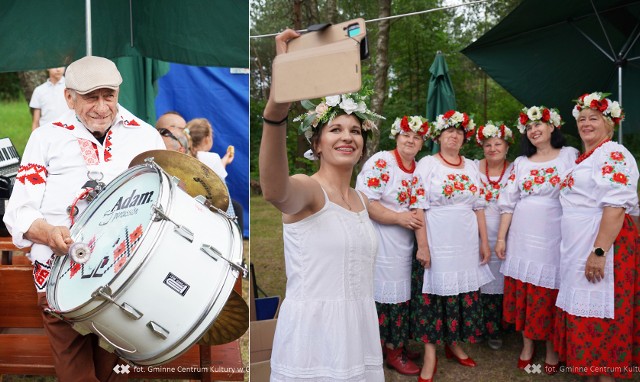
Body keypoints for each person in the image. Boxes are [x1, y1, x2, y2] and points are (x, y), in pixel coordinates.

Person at [3, 55, 166, 382]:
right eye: (92, 97)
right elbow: (19, 210)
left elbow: (165, 203)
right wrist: (48, 233)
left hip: (124, 279)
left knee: (116, 371)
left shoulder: (146, 137)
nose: (103, 106)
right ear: (69, 97)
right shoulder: (46, 138)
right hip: (60, 278)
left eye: (110, 95)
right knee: (76, 373)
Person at [260, 29, 385, 382]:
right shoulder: (308, 190)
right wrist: (276, 111)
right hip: (314, 340)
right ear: (316, 143)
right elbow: (274, 190)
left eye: (356, 131)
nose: (347, 136)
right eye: (335, 129)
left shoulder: (361, 199)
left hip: (357, 333)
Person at [554, 92, 639, 381]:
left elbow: (616, 206)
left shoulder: (612, 153)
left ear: (609, 124)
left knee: (602, 312)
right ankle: (590, 373)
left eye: (594, 118)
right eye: (581, 119)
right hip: (578, 243)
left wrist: (600, 251)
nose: (586, 123)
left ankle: (605, 376)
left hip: (602, 243)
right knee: (584, 311)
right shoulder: (584, 158)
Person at [412, 110, 494, 382]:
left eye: (459, 132)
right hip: (437, 239)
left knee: (461, 294)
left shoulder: (471, 166)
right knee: (434, 297)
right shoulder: (428, 164)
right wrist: (422, 246)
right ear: (439, 136)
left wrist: (484, 242)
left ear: (464, 137)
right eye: (449, 131)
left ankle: (454, 343)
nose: (454, 135)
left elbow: (479, 207)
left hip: (466, 242)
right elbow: (418, 207)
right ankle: (430, 353)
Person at [495, 105, 578, 374]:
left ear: (552, 126)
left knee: (551, 290)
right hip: (522, 236)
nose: (534, 130)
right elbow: (508, 203)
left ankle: (553, 349)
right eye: (529, 127)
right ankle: (528, 346)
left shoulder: (569, 156)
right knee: (527, 290)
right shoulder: (520, 163)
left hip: (555, 235)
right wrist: (501, 239)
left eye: (538, 124)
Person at [355, 115, 428, 376]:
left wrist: (423, 245)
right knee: (383, 298)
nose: (410, 140)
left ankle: (397, 346)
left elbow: (418, 208)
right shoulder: (382, 162)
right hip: (380, 240)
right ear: (396, 136)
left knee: (401, 296)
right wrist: (399, 218)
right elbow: (366, 201)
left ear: (421, 144)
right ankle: (385, 351)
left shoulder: (417, 169)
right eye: (406, 134)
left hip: (403, 245)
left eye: (416, 137)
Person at [474, 122, 515, 351]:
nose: (492, 148)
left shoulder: (516, 168)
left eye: (498, 143)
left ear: (507, 146)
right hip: (478, 231)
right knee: (481, 279)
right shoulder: (472, 167)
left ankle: (499, 328)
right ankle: (479, 327)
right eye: (487, 144)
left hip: (507, 232)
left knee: (501, 281)